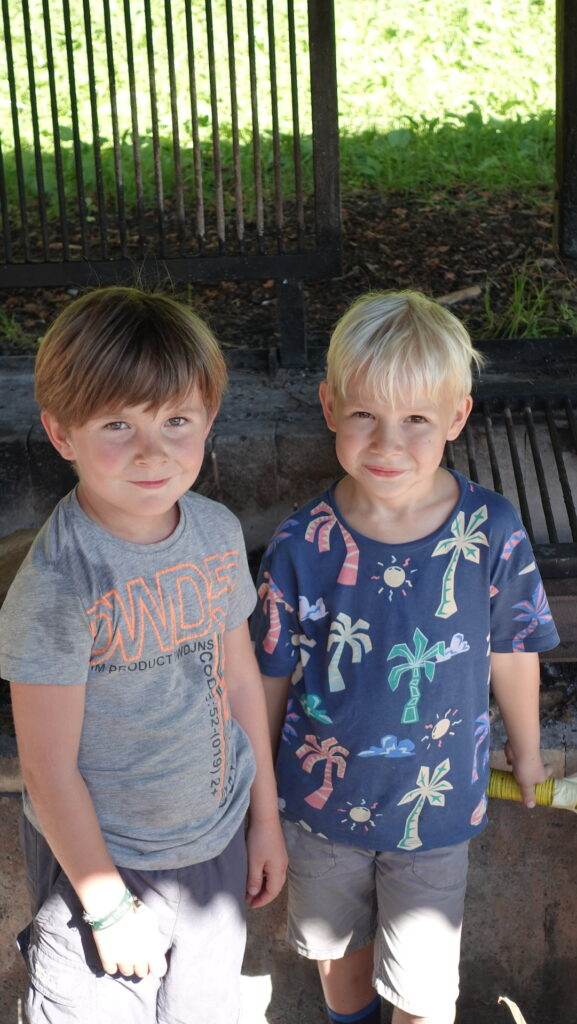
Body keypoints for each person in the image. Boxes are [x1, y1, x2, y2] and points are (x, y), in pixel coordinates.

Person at [251, 291, 559, 1024]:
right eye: (364, 414)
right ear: (329, 407)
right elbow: (267, 678)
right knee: (340, 969)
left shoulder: (491, 529)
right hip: (317, 816)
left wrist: (526, 752)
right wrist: (258, 802)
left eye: (416, 419)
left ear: (457, 416)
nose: (387, 444)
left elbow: (513, 650)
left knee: (423, 995)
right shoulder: (299, 543)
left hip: (436, 811)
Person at [0, 287, 287, 1024]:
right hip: (101, 868)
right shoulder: (58, 586)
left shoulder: (216, 533)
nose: (152, 451)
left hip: (216, 845)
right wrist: (105, 906)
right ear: (60, 432)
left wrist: (264, 820)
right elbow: (46, 771)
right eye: (117, 424)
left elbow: (239, 681)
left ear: (208, 420)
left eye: (175, 421)